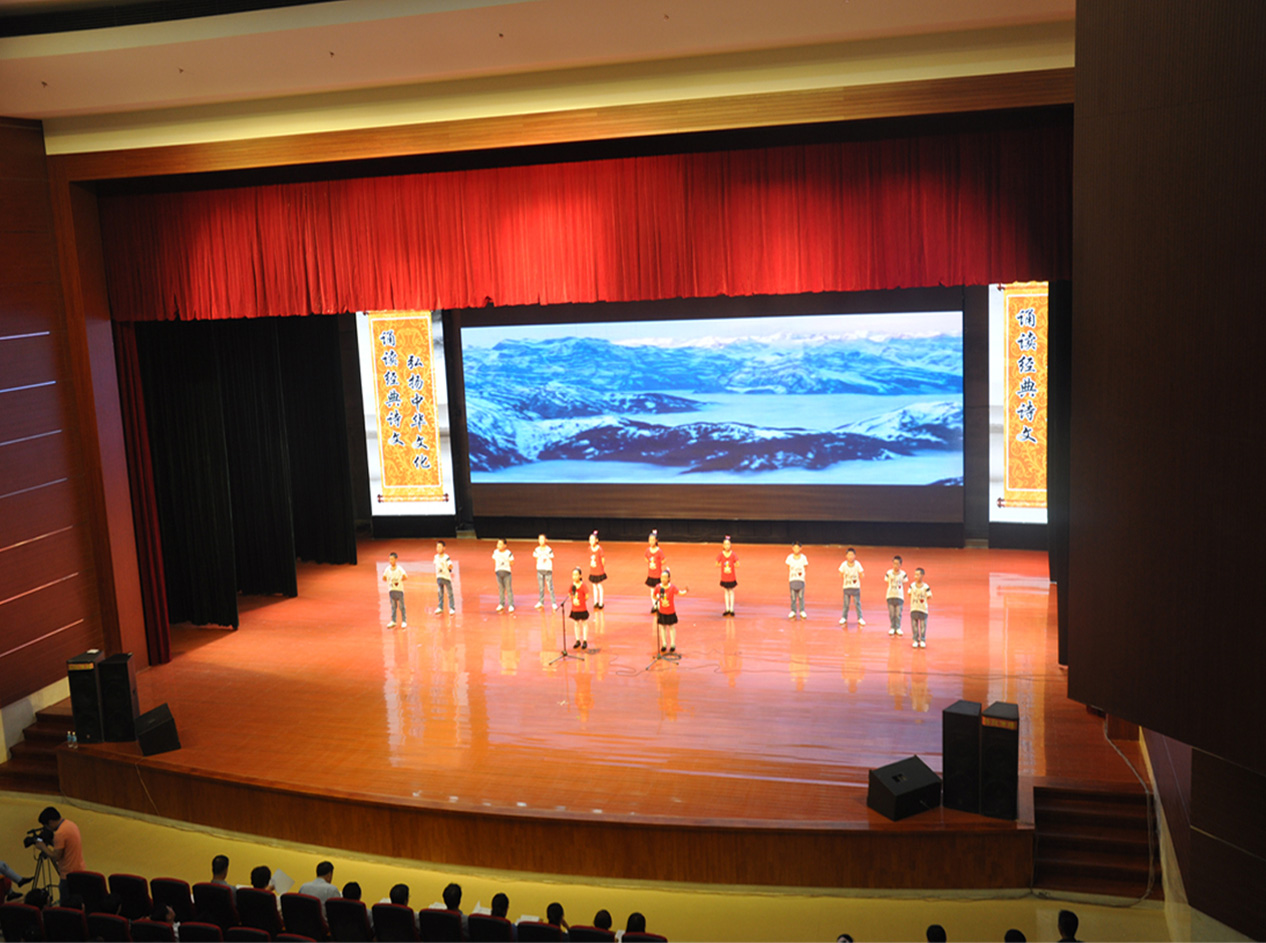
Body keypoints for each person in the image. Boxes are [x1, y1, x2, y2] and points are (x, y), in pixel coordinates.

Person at [32, 806, 82, 905]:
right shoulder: (71, 824)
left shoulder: (59, 834)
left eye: (46, 826)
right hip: (79, 869)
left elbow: (56, 857)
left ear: (50, 822)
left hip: (67, 873)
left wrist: (43, 847)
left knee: (65, 904)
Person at [654, 568, 686, 654]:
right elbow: (654, 595)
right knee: (663, 627)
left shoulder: (672, 587)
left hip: (670, 611)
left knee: (671, 627)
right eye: (662, 577)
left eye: (665, 577)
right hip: (662, 611)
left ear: (669, 579)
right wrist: (658, 599)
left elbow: (679, 592)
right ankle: (664, 644)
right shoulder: (658, 587)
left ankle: (672, 644)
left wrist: (685, 591)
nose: (663, 579)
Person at [838, 547, 866, 626]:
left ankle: (860, 618)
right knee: (846, 604)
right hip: (846, 587)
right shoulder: (844, 564)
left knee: (857, 603)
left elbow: (862, 573)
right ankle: (844, 617)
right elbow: (840, 573)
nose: (850, 556)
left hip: (855, 587)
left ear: (854, 556)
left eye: (852, 555)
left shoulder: (857, 564)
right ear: (846, 556)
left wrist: (861, 575)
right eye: (849, 555)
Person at [883, 554, 908, 636]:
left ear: (900, 565)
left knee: (898, 613)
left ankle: (898, 627)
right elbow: (887, 581)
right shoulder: (889, 573)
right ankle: (892, 627)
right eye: (894, 563)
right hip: (890, 595)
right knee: (892, 613)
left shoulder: (903, 574)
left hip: (899, 596)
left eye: (897, 564)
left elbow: (904, 583)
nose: (895, 566)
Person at [568, 567, 591, 649]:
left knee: (584, 623)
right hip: (575, 608)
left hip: (582, 608)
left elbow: (587, 595)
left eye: (576, 575)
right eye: (573, 575)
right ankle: (577, 640)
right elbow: (569, 594)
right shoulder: (572, 585)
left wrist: (582, 601)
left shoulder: (583, 585)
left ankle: (585, 640)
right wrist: (573, 599)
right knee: (576, 624)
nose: (574, 577)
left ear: (580, 576)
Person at [383, 552, 408, 627]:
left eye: (392, 559)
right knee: (393, 606)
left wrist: (400, 580)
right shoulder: (387, 569)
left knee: (402, 606)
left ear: (396, 559)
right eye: (390, 559)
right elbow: (384, 577)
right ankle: (393, 621)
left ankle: (404, 621)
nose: (391, 561)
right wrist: (389, 581)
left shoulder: (399, 569)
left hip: (399, 590)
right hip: (391, 590)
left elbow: (405, 576)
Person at [716, 535, 739, 616]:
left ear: (731, 545)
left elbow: (737, 564)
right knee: (726, 591)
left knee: (731, 591)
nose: (727, 546)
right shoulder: (721, 554)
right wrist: (723, 566)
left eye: (728, 544)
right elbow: (716, 563)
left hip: (731, 576)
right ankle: (727, 608)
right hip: (724, 576)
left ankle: (732, 609)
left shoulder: (733, 554)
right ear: (723, 545)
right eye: (725, 544)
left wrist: (731, 566)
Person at [909, 567, 932, 648]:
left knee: (923, 626)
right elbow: (909, 594)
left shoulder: (926, 587)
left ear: (922, 575)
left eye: (918, 575)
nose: (916, 576)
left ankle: (922, 640)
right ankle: (915, 640)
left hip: (923, 609)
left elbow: (929, 596)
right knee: (914, 626)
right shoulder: (912, 586)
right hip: (914, 608)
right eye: (915, 575)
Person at [533, 533, 557, 610]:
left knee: (550, 587)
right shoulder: (536, 550)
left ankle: (553, 603)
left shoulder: (549, 550)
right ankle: (541, 602)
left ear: (546, 540)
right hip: (540, 570)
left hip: (547, 570)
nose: (541, 541)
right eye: (539, 539)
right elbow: (536, 558)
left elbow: (552, 558)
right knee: (541, 587)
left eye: (542, 539)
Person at [644, 530, 666, 612]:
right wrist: (650, 563)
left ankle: (660, 605)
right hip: (651, 574)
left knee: (659, 591)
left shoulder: (659, 551)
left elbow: (663, 560)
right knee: (652, 591)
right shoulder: (647, 550)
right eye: (649, 540)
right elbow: (646, 558)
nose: (651, 542)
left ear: (656, 540)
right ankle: (655, 605)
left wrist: (658, 564)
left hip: (658, 575)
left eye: (653, 540)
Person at [786, 541, 808, 619]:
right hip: (792, 579)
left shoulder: (803, 558)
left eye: (798, 548)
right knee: (793, 596)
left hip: (800, 579)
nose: (796, 549)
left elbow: (805, 566)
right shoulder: (789, 558)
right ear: (792, 548)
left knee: (801, 596)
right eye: (795, 548)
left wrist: (801, 575)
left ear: (800, 548)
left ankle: (802, 611)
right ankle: (793, 611)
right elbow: (788, 567)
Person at [433, 540, 456, 614]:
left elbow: (450, 565)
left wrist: (449, 568)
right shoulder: (436, 557)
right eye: (437, 547)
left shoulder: (446, 557)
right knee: (440, 593)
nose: (438, 548)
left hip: (446, 577)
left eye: (440, 547)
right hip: (439, 577)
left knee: (449, 593)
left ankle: (452, 608)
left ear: (444, 548)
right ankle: (440, 607)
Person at [493, 538, 515, 612]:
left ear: (505, 545)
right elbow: (494, 560)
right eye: (498, 544)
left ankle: (511, 605)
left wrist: (506, 563)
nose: (498, 545)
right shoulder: (495, 552)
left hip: (507, 573)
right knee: (501, 589)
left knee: (508, 589)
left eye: (500, 544)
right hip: (498, 573)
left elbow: (512, 562)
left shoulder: (508, 553)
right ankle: (501, 604)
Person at [587, 531, 607, 609]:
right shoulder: (589, 549)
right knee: (594, 586)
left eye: (592, 540)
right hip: (593, 570)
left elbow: (602, 559)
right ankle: (595, 602)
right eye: (590, 540)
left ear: (596, 540)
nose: (591, 541)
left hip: (598, 570)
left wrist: (602, 567)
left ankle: (601, 602)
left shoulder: (599, 549)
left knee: (599, 585)